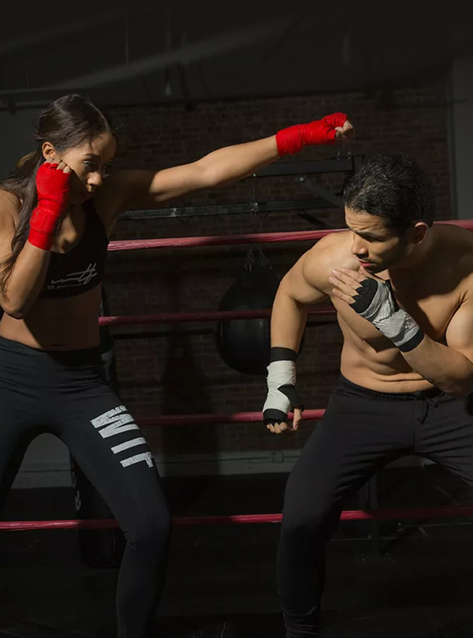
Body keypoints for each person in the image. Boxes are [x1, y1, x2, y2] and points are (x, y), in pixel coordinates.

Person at [0, 93, 352, 638]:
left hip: (83, 385)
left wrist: (295, 139)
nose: (98, 179)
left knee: (151, 525)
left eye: (107, 164)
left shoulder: (107, 196)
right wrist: (46, 210)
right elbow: (15, 301)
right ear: (50, 153)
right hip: (11, 379)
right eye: (89, 163)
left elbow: (205, 171)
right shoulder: (4, 207)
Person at [263, 153, 473, 638]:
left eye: (373, 237)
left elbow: (460, 379)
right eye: (351, 229)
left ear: (417, 233)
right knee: (300, 517)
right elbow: (289, 295)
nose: (356, 248)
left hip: (450, 406)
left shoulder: (464, 267)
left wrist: (394, 322)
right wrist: (280, 379)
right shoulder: (335, 258)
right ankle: (300, 631)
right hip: (362, 405)